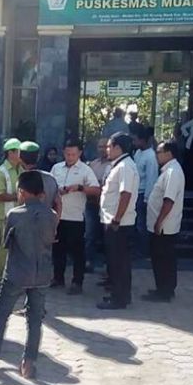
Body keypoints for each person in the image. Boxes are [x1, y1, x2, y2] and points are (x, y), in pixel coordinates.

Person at [0, 170, 58, 378]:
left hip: (16, 273)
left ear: (21, 192)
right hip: (42, 274)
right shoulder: (52, 215)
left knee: (1, 316)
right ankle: (28, 364)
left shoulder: (14, 215)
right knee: (35, 319)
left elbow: (7, 243)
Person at [50, 139, 101, 295]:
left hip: (76, 217)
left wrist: (79, 188)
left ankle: (77, 282)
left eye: (73, 154)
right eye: (67, 153)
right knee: (58, 249)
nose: (70, 157)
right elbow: (49, 186)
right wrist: (58, 190)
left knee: (77, 252)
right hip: (58, 216)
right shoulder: (56, 168)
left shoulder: (86, 170)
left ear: (79, 153)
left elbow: (96, 190)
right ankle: (58, 278)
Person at [97, 133, 139, 310]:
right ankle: (118, 294)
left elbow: (126, 194)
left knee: (119, 262)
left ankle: (119, 298)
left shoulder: (125, 167)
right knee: (115, 261)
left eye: (109, 146)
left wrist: (117, 218)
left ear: (117, 148)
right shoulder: (120, 165)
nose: (106, 150)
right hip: (114, 221)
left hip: (119, 223)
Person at [144, 142, 185, 303]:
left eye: (159, 151)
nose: (157, 154)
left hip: (165, 226)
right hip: (161, 225)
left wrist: (159, 221)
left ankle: (165, 291)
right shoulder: (167, 170)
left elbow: (169, 200)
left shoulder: (173, 172)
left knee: (163, 258)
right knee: (160, 258)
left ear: (169, 153)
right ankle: (162, 288)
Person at [0, 139, 22, 275]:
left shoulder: (21, 169)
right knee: (5, 246)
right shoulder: (1, 172)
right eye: (19, 151)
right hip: (6, 215)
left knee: (18, 247)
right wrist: (19, 197)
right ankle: (1, 276)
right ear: (11, 153)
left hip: (21, 214)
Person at [19, 141, 62, 218]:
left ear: (20, 158)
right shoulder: (50, 178)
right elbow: (58, 203)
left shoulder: (22, 180)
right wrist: (55, 222)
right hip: (47, 224)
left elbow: (21, 203)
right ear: (38, 157)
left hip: (27, 225)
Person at [133, 132, 159, 258]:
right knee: (136, 223)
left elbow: (151, 178)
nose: (134, 143)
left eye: (136, 140)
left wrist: (147, 198)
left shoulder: (151, 156)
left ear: (143, 140)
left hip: (143, 193)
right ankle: (137, 248)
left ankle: (144, 251)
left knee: (141, 224)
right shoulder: (137, 153)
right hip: (135, 192)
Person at [86, 138, 110, 271]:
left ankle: (108, 266)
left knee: (107, 236)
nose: (102, 149)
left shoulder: (113, 165)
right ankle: (89, 261)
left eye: (105, 146)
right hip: (92, 204)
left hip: (107, 206)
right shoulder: (92, 165)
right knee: (89, 234)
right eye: (100, 146)